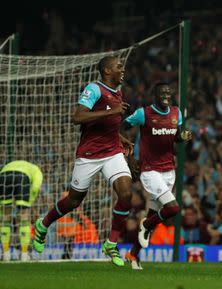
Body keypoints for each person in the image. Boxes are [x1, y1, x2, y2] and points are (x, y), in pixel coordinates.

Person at [32, 56, 134, 267]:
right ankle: (43, 225)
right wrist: (113, 111)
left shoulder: (118, 92)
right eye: (118, 66)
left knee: (126, 193)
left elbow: (108, 125)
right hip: (89, 155)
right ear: (107, 71)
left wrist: (122, 139)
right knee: (73, 201)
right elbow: (77, 117)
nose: (122, 69)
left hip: (113, 152)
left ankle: (111, 243)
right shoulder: (94, 89)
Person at [122, 82, 192, 270]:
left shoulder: (176, 113)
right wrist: (128, 155)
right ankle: (145, 225)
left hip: (169, 171)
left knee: (155, 213)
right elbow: (122, 126)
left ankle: (133, 254)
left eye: (169, 92)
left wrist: (182, 137)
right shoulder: (143, 113)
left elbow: (176, 137)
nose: (166, 95)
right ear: (155, 95)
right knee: (173, 208)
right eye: (162, 93)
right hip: (150, 171)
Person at [0, 160, 43, 261]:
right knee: (24, 217)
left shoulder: (9, 165)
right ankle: (24, 254)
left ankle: (5, 254)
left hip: (3, 176)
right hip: (21, 177)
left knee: (5, 218)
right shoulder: (36, 170)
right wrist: (28, 204)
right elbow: (35, 188)